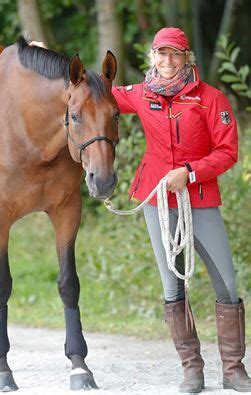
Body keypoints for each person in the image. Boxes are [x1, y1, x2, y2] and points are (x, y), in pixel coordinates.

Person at [112, 27, 251, 393]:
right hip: (157, 199)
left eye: (175, 54)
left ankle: (234, 369)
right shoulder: (140, 95)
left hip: (200, 198)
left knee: (227, 284)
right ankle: (192, 369)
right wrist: (53, 60)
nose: (168, 61)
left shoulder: (211, 99)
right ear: (152, 57)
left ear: (187, 58)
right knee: (172, 285)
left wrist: (189, 172)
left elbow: (228, 152)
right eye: (162, 54)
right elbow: (94, 91)